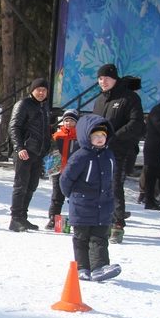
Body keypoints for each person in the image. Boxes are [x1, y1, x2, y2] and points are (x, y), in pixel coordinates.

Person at [60, 114, 122, 282]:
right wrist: (73, 196)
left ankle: (99, 267)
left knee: (100, 237)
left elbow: (111, 178)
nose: (100, 139)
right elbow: (65, 180)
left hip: (103, 206)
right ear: (87, 137)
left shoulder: (108, 155)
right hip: (82, 205)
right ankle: (82, 267)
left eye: (102, 136)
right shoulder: (81, 156)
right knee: (81, 238)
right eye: (95, 136)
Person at [91, 63, 145, 243]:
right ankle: (103, 221)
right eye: (99, 78)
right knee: (99, 186)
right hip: (99, 151)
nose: (102, 81)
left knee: (114, 186)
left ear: (115, 78)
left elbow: (136, 124)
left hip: (120, 151)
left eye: (106, 78)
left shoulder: (129, 98)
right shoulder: (100, 99)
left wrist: (113, 137)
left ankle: (117, 223)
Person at [8, 77, 51, 232]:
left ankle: (23, 217)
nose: (41, 93)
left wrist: (47, 149)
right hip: (24, 151)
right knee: (21, 185)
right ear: (32, 90)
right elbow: (14, 127)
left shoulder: (43, 107)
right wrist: (19, 147)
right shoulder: (23, 104)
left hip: (37, 153)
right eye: (38, 89)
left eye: (44, 90)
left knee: (32, 185)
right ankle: (15, 218)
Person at [45, 109, 80, 229]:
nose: (68, 123)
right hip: (58, 171)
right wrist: (51, 169)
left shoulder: (80, 137)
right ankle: (53, 218)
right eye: (66, 120)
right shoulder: (57, 136)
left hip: (74, 172)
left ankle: (77, 220)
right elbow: (51, 153)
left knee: (75, 198)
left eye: (72, 121)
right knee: (56, 196)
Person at [141, 101, 160, 211]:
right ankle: (149, 200)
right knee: (151, 176)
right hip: (154, 148)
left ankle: (153, 200)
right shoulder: (158, 110)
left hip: (159, 149)